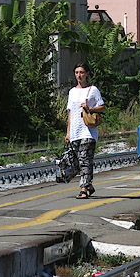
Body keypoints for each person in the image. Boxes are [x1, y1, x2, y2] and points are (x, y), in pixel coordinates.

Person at [59, 63, 105, 198]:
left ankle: (84, 188)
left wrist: (90, 108)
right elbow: (70, 113)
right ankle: (89, 185)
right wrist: (68, 132)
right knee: (78, 161)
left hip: (88, 131)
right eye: (77, 72)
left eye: (82, 72)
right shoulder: (72, 92)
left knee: (85, 158)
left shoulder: (93, 90)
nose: (79, 75)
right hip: (75, 131)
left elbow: (102, 107)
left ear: (87, 74)